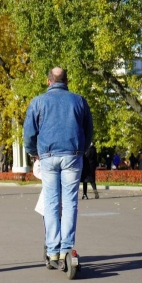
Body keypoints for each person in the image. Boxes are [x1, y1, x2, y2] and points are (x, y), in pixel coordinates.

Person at [23, 67, 93, 269]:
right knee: (70, 203)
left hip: (47, 156)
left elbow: (29, 133)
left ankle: (52, 251)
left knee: (52, 202)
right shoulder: (79, 101)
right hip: (72, 155)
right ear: (67, 80)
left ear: (48, 82)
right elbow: (88, 130)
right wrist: (81, 149)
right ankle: (66, 248)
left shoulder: (38, 102)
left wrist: (33, 152)